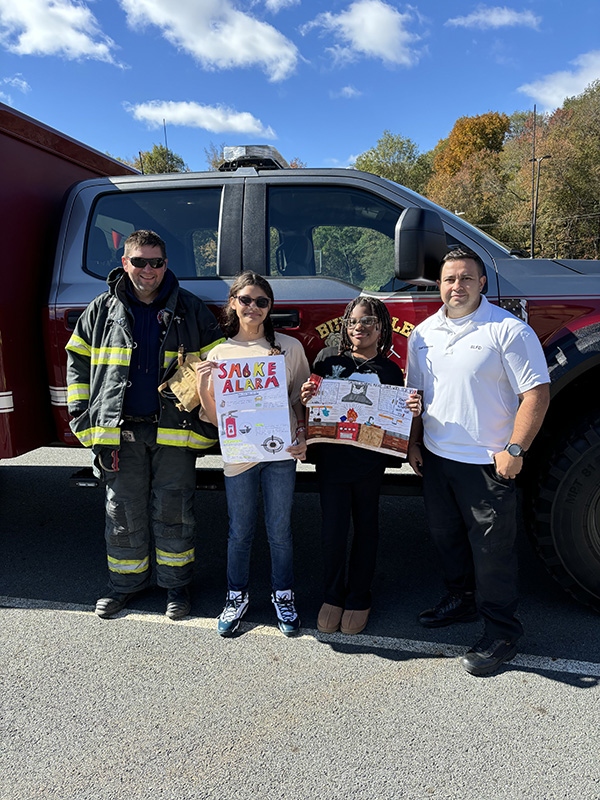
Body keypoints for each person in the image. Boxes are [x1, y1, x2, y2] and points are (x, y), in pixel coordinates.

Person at [407, 246, 550, 676]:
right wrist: (414, 444)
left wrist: (515, 451)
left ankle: (502, 633)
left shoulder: (507, 330)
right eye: (449, 279)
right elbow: (416, 397)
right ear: (439, 284)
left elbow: (536, 393)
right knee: (446, 537)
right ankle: (461, 601)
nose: (457, 286)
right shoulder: (424, 333)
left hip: (488, 463)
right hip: (436, 456)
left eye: (466, 278)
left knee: (492, 553)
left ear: (482, 283)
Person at [66, 230, 223, 620]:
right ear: (124, 263)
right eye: (139, 261)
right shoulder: (101, 310)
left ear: (166, 265)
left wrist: (208, 424)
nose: (148, 270)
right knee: (122, 511)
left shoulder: (191, 310)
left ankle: (176, 587)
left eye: (155, 262)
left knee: (175, 512)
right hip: (120, 432)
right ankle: (125, 586)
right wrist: (83, 420)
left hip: (174, 431)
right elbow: (77, 364)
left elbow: (219, 370)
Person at [195, 272, 310, 638]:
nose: (254, 307)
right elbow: (217, 420)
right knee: (239, 532)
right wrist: (201, 383)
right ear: (233, 303)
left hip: (280, 454)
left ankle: (283, 595)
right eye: (246, 300)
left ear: (269, 307)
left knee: (279, 531)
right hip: (240, 454)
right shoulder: (220, 354)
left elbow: (300, 401)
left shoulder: (289, 348)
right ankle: (236, 596)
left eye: (262, 301)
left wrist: (303, 435)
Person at [300, 298, 421, 636]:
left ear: (382, 328)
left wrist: (411, 409)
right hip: (331, 460)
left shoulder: (390, 370)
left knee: (367, 528)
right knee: (333, 530)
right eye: (354, 320)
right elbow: (308, 407)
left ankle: (359, 595)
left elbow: (397, 418)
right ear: (345, 326)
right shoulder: (327, 361)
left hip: (369, 461)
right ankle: (333, 595)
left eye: (369, 321)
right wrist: (306, 396)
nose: (360, 327)